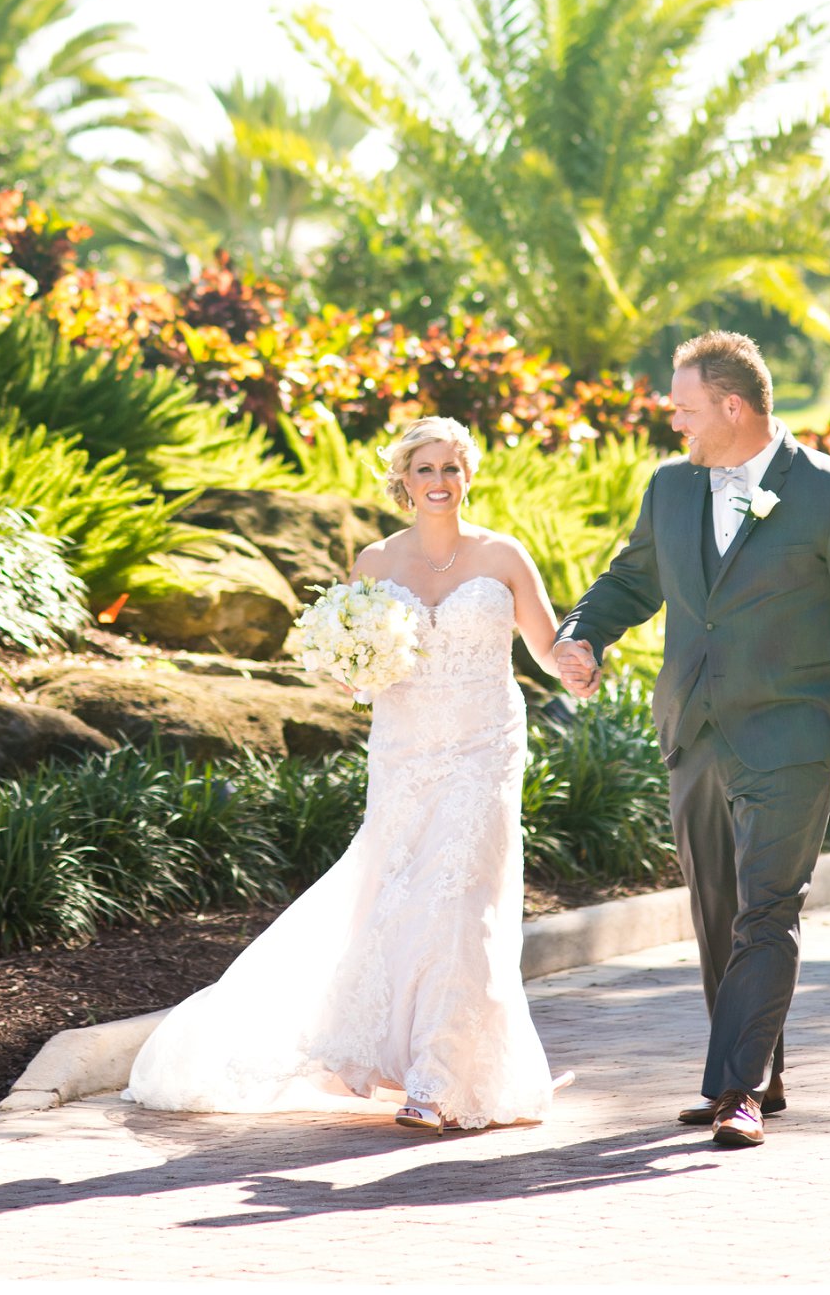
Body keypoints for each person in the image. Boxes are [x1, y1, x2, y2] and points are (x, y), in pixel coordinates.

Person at [124, 414, 576, 1131]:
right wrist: (346, 668)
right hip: (404, 751)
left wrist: (581, 663)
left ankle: (436, 1078)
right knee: (393, 895)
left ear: (469, 475)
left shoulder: (504, 556)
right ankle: (382, 1056)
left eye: (451, 468)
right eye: (425, 469)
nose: (439, 482)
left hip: (484, 747)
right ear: (403, 478)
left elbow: (550, 651)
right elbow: (354, 663)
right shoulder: (374, 564)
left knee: (461, 900)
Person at [555, 329, 830, 1152]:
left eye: (684, 408)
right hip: (694, 728)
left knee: (768, 907)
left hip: (790, 733)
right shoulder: (673, 487)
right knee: (719, 912)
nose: (674, 422)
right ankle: (760, 1072)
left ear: (732, 405)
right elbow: (632, 578)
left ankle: (736, 1090)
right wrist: (585, 634)